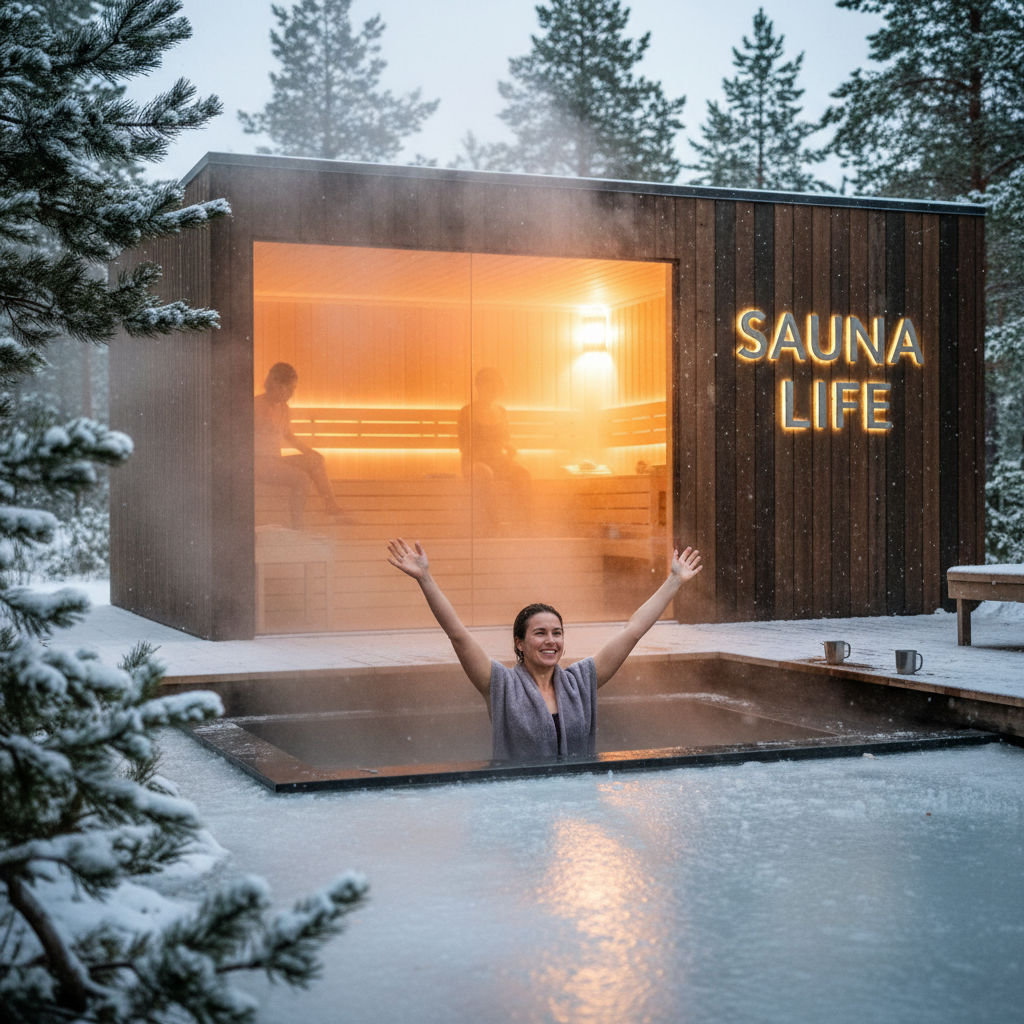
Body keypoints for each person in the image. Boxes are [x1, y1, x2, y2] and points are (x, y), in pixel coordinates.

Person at [386, 537, 702, 760]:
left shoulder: (579, 682)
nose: (551, 640)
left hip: (574, 801)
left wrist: (674, 581)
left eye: (557, 633)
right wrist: (425, 579)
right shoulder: (501, 685)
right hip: (521, 803)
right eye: (540, 633)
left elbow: (632, 631)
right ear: (519, 643)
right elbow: (458, 635)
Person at [254, 362, 349, 529]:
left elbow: (289, 436)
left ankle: (331, 505)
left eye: (293, 389)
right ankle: (296, 525)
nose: (292, 393)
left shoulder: (284, 408)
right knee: (302, 478)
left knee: (316, 460)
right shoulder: (256, 405)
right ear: (275, 384)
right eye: (288, 388)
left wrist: (310, 452)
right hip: (257, 463)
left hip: (275, 461)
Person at [457, 367, 533, 532]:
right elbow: (464, 445)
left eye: (497, 387)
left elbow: (506, 439)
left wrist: (510, 448)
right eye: (490, 386)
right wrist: (488, 450)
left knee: (523, 473)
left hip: (498, 461)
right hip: (474, 462)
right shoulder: (467, 412)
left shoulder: (501, 411)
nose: (494, 390)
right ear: (479, 386)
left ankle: (527, 525)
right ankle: (494, 526)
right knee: (486, 473)